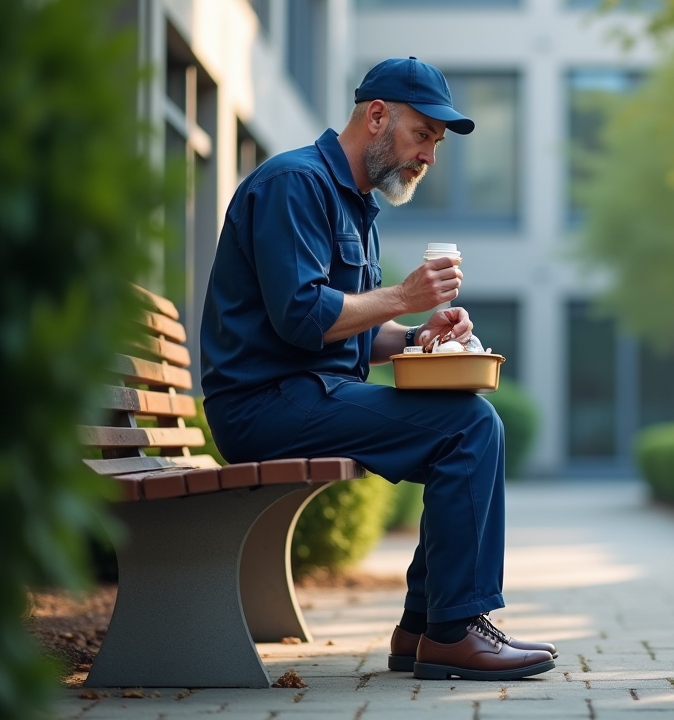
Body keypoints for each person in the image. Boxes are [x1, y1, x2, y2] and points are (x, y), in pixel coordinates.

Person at [199, 57, 556, 681]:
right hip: (262, 405)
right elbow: (302, 318)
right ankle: (450, 631)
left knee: (466, 427)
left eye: (437, 143)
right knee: (469, 427)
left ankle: (424, 627)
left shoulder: (355, 205)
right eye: (424, 135)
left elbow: (350, 336)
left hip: (307, 392)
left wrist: (419, 334)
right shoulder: (294, 184)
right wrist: (402, 296)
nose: (430, 158)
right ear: (377, 116)